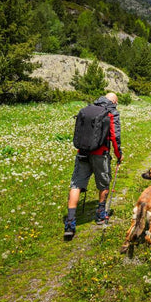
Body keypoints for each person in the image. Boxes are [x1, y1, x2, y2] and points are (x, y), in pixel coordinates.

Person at [64, 92, 124, 238]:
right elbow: (114, 137)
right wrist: (118, 155)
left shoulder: (87, 109)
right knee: (103, 183)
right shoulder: (111, 113)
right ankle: (100, 214)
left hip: (82, 152)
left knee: (76, 184)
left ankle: (70, 222)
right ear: (114, 102)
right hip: (100, 154)